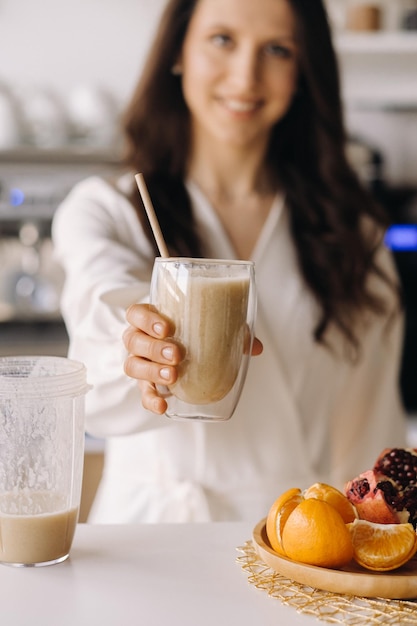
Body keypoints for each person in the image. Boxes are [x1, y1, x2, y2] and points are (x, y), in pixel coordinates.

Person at [52, 0, 407, 524]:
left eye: (277, 49)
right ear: (178, 50)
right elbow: (98, 334)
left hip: (295, 544)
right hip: (154, 538)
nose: (245, 76)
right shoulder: (108, 210)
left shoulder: (354, 237)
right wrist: (141, 352)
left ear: (304, 69)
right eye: (222, 39)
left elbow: (372, 434)